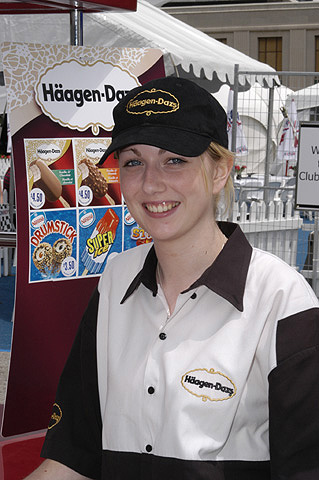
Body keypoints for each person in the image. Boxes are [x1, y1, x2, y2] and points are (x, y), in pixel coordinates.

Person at [25, 77, 319, 480]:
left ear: (220, 172)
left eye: (175, 160)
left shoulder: (282, 300)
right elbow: (75, 453)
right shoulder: (115, 280)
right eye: (133, 162)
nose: (150, 183)